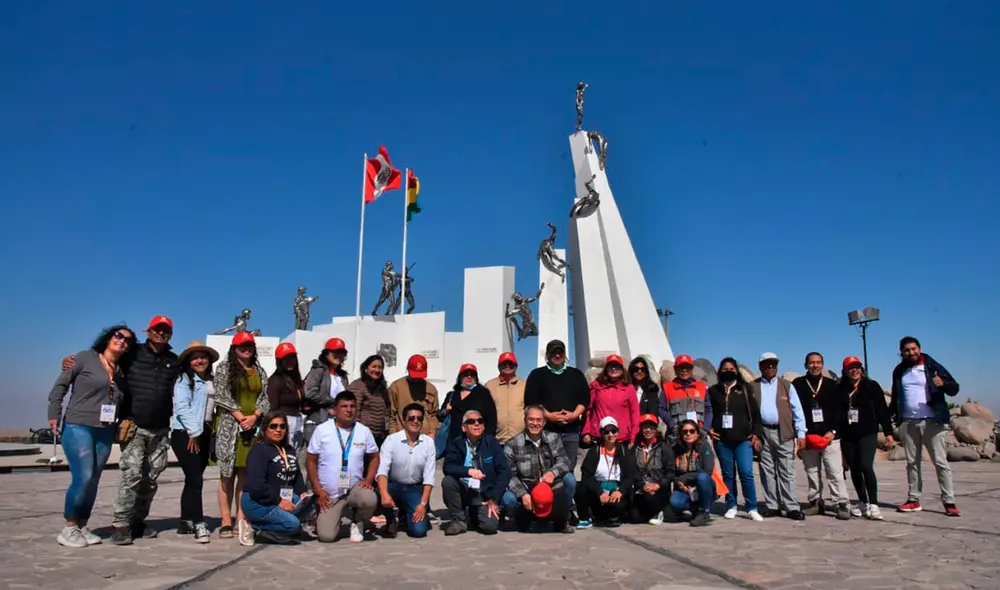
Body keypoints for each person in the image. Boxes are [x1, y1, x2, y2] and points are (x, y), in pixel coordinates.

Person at [61, 315, 178, 546]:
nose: (160, 334)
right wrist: (70, 362)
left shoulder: (173, 361)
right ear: (148, 331)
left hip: (161, 429)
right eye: (157, 330)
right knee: (131, 475)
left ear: (170, 334)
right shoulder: (132, 354)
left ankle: (137, 522)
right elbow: (105, 359)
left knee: (150, 479)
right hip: (133, 426)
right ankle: (121, 525)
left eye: (165, 331)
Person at [48, 324, 138, 548]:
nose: (122, 341)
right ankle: (69, 527)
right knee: (84, 476)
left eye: (127, 340)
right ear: (108, 338)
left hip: (104, 429)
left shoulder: (120, 370)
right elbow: (61, 386)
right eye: (118, 335)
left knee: (94, 479)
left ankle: (82, 525)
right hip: (79, 424)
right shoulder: (84, 358)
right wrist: (54, 413)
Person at [889, 337, 961, 516]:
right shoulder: (899, 371)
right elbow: (897, 396)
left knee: (940, 462)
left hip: (932, 421)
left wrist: (942, 384)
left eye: (914, 349)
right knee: (912, 463)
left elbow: (954, 388)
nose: (911, 353)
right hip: (909, 422)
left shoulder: (932, 366)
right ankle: (914, 499)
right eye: (907, 350)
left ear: (919, 349)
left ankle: (949, 501)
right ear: (902, 353)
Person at [213, 331, 270, 544]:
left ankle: (241, 518)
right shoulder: (224, 368)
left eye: (249, 346)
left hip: (251, 427)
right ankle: (225, 520)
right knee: (227, 474)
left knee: (245, 474)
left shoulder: (259, 371)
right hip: (229, 425)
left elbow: (265, 398)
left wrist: (254, 417)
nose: (246, 349)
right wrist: (239, 415)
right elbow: (221, 394)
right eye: (241, 346)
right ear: (234, 348)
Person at [306, 390, 380, 543]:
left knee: (370, 498)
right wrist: (318, 490)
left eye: (352, 406)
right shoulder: (322, 430)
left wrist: (368, 479)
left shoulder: (363, 431)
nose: (349, 410)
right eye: (344, 406)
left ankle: (357, 521)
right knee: (327, 537)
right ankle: (334, 517)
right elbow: (311, 461)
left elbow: (374, 457)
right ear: (335, 410)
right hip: (329, 494)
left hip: (354, 489)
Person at [170, 340, 219, 542]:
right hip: (186, 433)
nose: (199, 360)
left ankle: (185, 520)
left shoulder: (211, 380)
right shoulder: (184, 380)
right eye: (195, 357)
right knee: (196, 479)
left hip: (204, 432)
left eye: (203, 356)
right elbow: (182, 407)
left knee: (193, 478)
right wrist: (194, 432)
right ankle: (199, 523)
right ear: (189, 361)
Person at [792, 352, 851, 520]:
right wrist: (800, 434)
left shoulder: (832, 385)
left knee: (834, 471)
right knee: (811, 472)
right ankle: (815, 503)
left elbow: (840, 411)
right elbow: (794, 410)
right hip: (809, 437)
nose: (815, 365)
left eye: (818, 363)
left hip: (829, 437)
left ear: (822, 365)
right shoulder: (798, 384)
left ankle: (842, 503)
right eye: (811, 363)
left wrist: (833, 431)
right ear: (806, 365)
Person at [749, 352, 807, 520]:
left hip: (784, 432)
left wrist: (801, 433)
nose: (770, 367)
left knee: (787, 470)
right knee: (767, 470)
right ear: (760, 367)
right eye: (766, 364)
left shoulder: (787, 386)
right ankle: (772, 505)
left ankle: (791, 506)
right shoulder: (753, 386)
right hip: (763, 434)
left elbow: (797, 410)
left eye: (773, 364)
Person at [241, 411, 314, 545]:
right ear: (264, 429)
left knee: (311, 502)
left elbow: (296, 475)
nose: (278, 430)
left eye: (282, 426)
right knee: (293, 525)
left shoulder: (289, 449)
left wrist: (302, 492)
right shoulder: (259, 451)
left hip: (282, 496)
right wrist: (279, 501)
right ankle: (252, 525)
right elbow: (256, 485)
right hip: (259, 502)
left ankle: (280, 525)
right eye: (273, 426)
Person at [706, 357, 764, 522]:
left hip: (743, 440)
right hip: (722, 440)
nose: (728, 371)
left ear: (736, 371)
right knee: (728, 474)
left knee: (746, 473)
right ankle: (730, 505)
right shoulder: (713, 391)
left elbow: (755, 414)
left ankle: (751, 507)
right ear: (719, 371)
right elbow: (708, 412)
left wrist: (756, 433)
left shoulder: (745, 389)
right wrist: (709, 429)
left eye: (731, 368)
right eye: (724, 369)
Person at [501, 405, 574, 533]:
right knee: (508, 499)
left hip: (550, 486)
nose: (535, 423)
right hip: (527, 487)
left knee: (570, 479)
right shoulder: (512, 444)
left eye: (539, 420)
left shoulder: (553, 438)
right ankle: (525, 517)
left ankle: (562, 520)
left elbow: (564, 461)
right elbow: (508, 474)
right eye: (531, 419)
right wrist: (522, 494)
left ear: (544, 422)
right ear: (525, 420)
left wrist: (553, 472)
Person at [840, 356, 895, 520]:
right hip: (848, 435)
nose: (854, 370)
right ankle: (863, 501)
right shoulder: (840, 388)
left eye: (857, 367)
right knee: (855, 469)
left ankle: (874, 504)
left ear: (861, 369)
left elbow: (882, 410)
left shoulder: (871, 386)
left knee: (866, 466)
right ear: (845, 371)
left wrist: (888, 432)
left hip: (867, 432)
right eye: (850, 368)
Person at [441, 410, 510, 536]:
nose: (477, 424)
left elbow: (504, 471)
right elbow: (448, 467)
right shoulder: (455, 444)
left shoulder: (492, 443)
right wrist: (468, 471)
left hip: (484, 494)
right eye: (471, 421)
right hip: (464, 489)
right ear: (464, 427)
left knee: (490, 527)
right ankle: (459, 520)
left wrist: (493, 498)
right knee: (448, 481)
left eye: (480, 421)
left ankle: (476, 513)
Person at [524, 339, 590, 468]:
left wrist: (574, 415)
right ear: (547, 355)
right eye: (554, 352)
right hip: (546, 431)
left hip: (571, 432)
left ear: (565, 354)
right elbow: (531, 400)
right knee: (546, 469)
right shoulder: (536, 374)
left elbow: (585, 399)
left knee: (568, 470)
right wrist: (548, 416)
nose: (557, 355)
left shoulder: (576, 374)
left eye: (560, 352)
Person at [376, 403, 436, 538]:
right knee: (376, 493)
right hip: (393, 485)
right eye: (411, 418)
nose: (415, 421)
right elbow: (382, 471)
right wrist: (384, 494)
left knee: (419, 531)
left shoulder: (428, 443)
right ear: (404, 420)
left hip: (414, 488)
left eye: (419, 419)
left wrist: (423, 505)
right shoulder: (391, 440)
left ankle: (407, 516)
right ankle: (390, 519)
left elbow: (429, 477)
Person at [576, 417, 635, 528]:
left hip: (616, 490)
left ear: (618, 432)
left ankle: (612, 516)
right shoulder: (595, 450)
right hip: (599, 490)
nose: (610, 434)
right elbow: (586, 475)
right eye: (606, 432)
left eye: (613, 431)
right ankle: (584, 518)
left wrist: (620, 491)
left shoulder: (623, 451)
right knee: (579, 487)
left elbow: (630, 476)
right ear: (602, 434)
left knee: (616, 506)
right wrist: (599, 492)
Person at [303, 338, 350, 449]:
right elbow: (310, 393)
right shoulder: (319, 370)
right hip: (318, 420)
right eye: (335, 352)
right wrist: (333, 402)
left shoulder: (343, 376)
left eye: (341, 353)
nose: (338, 355)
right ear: (326, 353)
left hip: (337, 423)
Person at [582, 355, 639, 446]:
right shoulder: (596, 386)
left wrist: (633, 438)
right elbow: (587, 410)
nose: (613, 368)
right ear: (605, 369)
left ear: (622, 369)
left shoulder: (629, 388)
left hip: (621, 438)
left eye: (617, 366)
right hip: (599, 436)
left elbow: (635, 414)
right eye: (610, 366)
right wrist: (586, 432)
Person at [629, 414, 674, 525]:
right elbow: (633, 471)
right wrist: (642, 485)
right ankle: (649, 513)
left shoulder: (664, 447)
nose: (648, 430)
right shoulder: (635, 449)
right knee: (633, 517)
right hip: (642, 488)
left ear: (656, 429)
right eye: (645, 427)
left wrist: (658, 485)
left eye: (651, 427)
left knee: (652, 499)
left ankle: (660, 511)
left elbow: (670, 471)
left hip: (659, 489)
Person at [670, 419, 716, 527]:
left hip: (703, 486)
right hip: (685, 488)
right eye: (685, 432)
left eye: (692, 431)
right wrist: (678, 482)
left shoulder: (704, 446)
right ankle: (695, 509)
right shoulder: (676, 449)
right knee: (675, 502)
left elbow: (708, 470)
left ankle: (704, 511)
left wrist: (685, 478)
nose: (688, 434)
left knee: (702, 477)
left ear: (697, 432)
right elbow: (672, 471)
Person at [659, 354, 712, 436]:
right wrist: (672, 425)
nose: (684, 370)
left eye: (687, 367)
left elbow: (708, 409)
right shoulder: (666, 388)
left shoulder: (702, 387)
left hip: (699, 433)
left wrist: (706, 428)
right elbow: (661, 409)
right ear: (675, 369)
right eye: (681, 367)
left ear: (692, 369)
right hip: (676, 434)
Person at [388, 354, 440, 436]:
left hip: (425, 437)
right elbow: (391, 415)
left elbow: (434, 414)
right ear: (408, 370)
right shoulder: (396, 387)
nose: (417, 379)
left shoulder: (431, 389)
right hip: (402, 436)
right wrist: (393, 435)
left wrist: (432, 432)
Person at [267, 343, 305, 452]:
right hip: (285, 422)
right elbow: (273, 407)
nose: (290, 361)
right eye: (286, 358)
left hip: (298, 421)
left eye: (292, 357)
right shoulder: (275, 380)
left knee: (294, 455)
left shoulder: (295, 380)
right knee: (284, 454)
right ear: (279, 361)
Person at [446, 364, 498, 441]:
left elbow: (491, 419)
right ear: (460, 377)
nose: (469, 377)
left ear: (476, 378)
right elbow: (440, 416)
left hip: (477, 441)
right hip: (455, 441)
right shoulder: (452, 394)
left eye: (472, 375)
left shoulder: (484, 394)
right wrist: (446, 410)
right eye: (466, 374)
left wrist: (487, 440)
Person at [347, 354, 390, 447]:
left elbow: (386, 411)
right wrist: (357, 433)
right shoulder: (358, 386)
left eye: (380, 367)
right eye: (374, 366)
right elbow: (353, 411)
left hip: (380, 436)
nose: (377, 370)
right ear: (366, 368)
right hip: (363, 436)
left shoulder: (382, 388)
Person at [484, 352, 526, 445]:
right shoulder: (489, 386)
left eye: (510, 363)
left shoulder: (525, 385)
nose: (507, 366)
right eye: (504, 363)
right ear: (498, 366)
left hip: (521, 441)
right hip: (497, 441)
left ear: (516, 366)